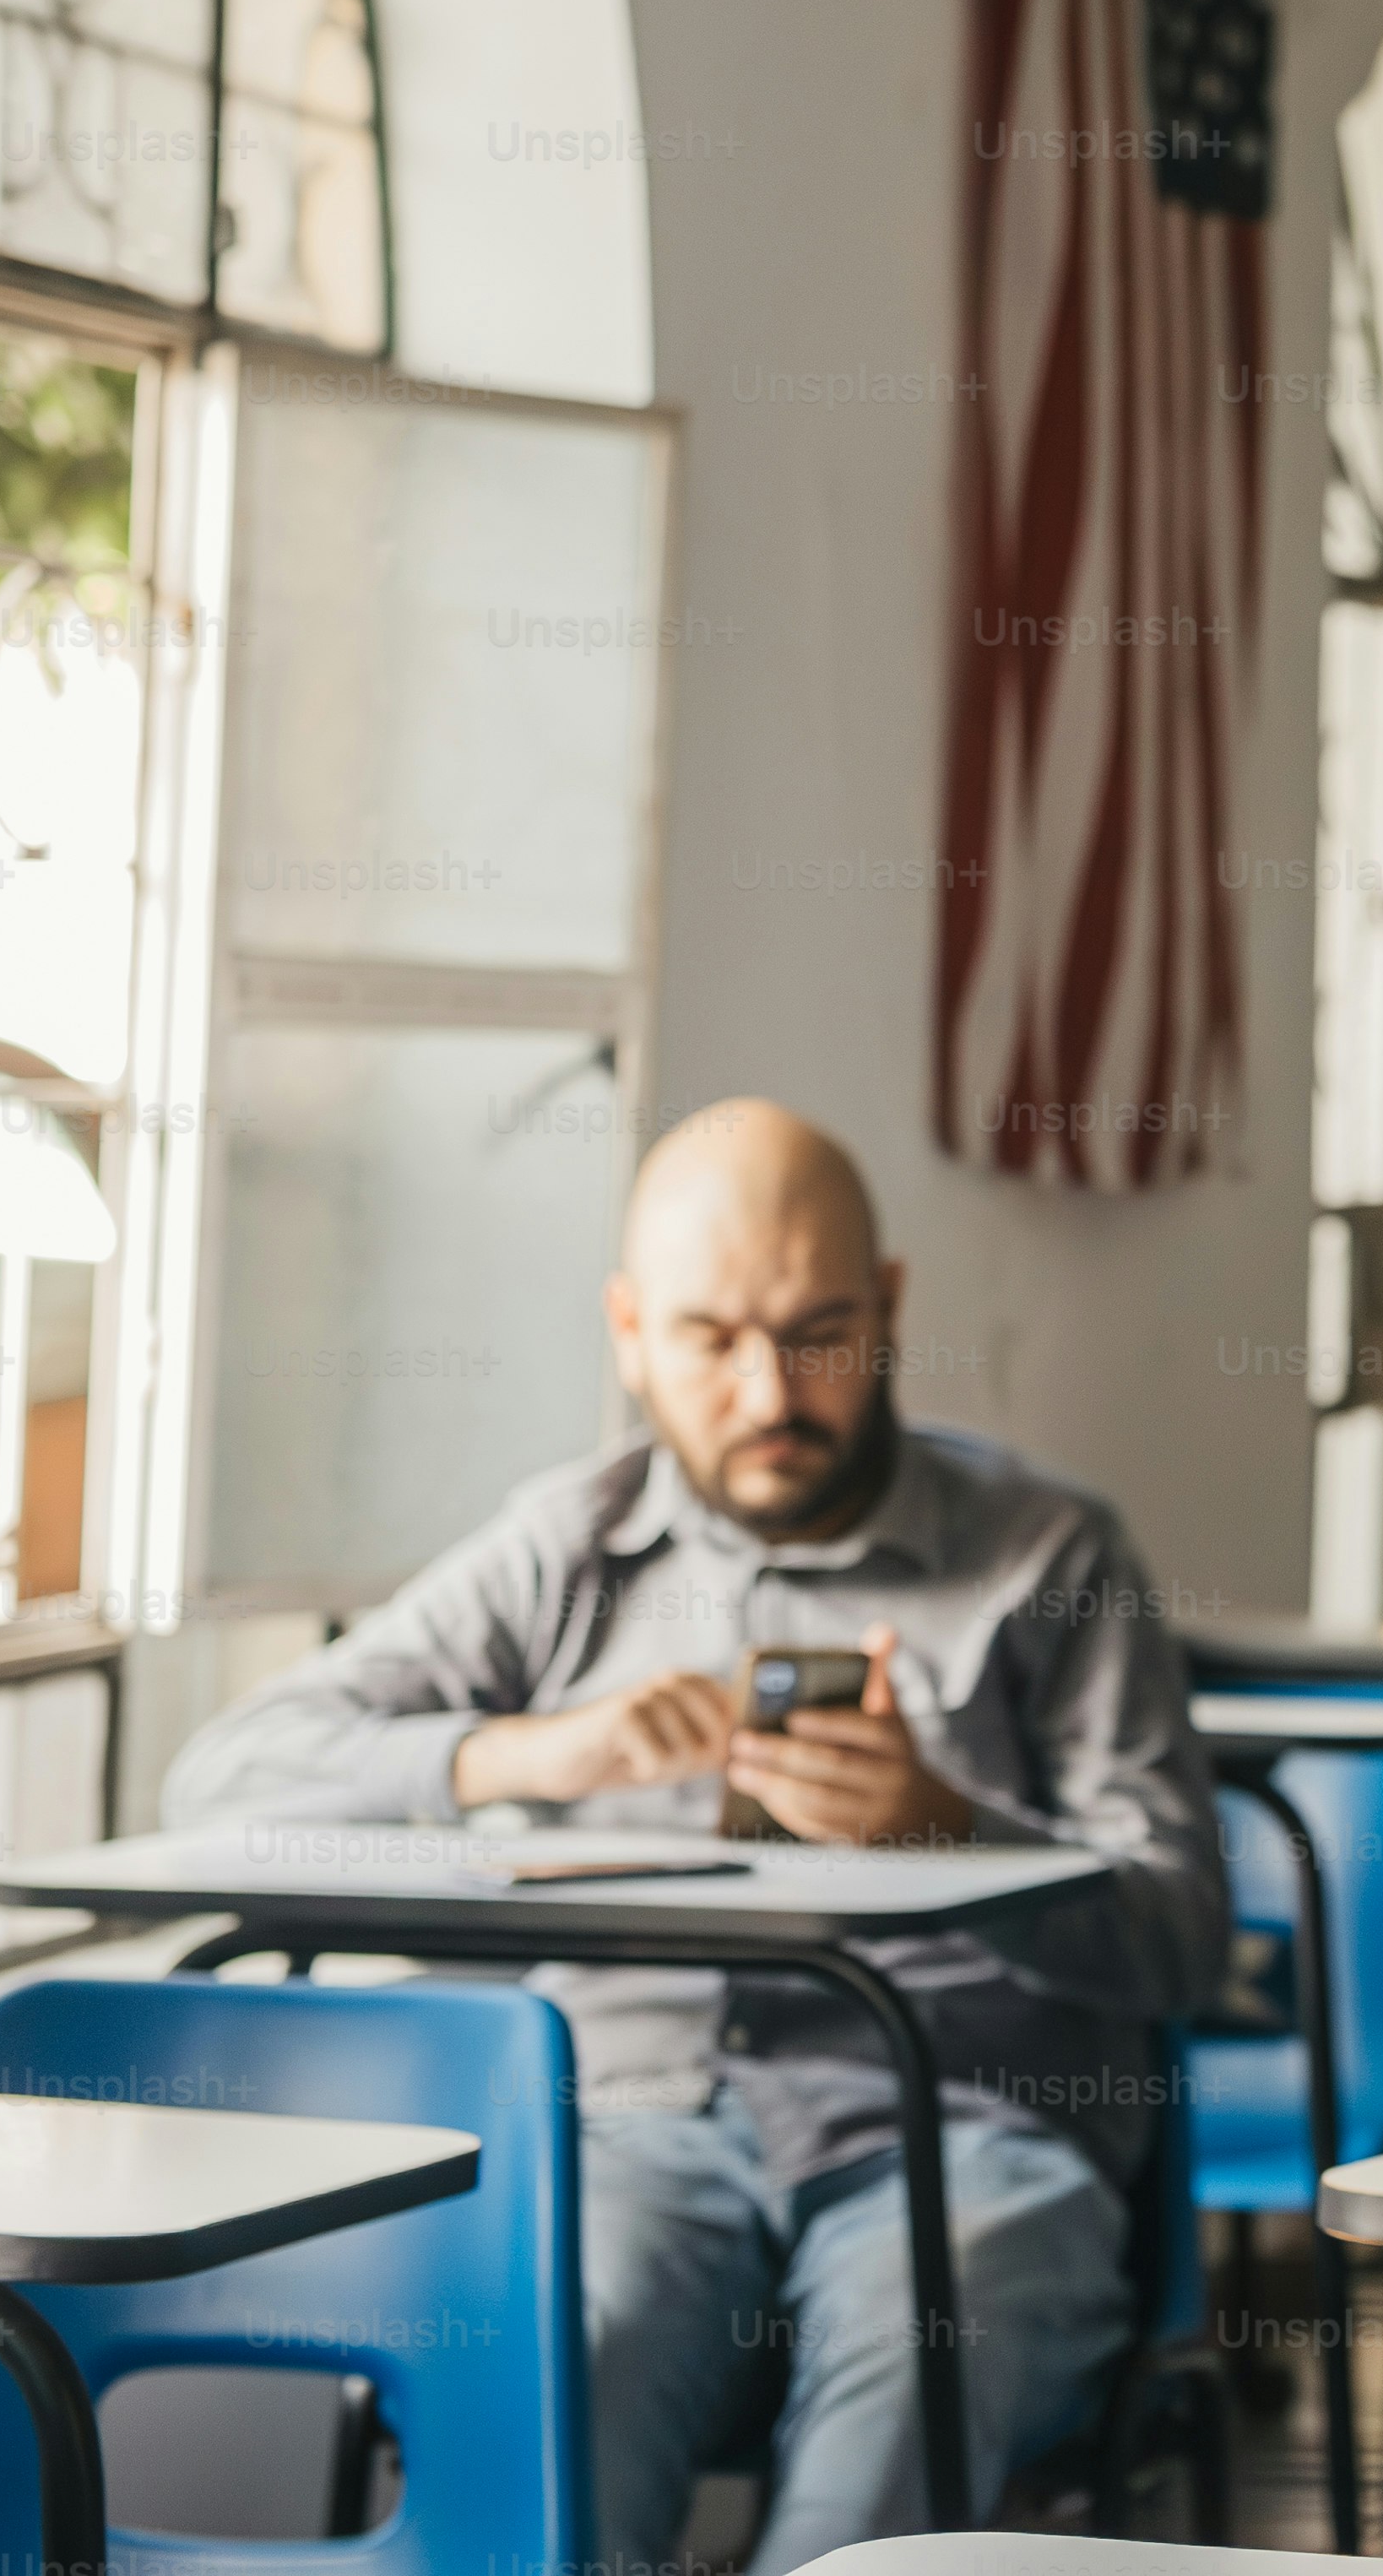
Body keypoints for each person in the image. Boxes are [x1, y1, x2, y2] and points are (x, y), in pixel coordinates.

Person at [165, 1098, 1229, 2572]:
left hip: (973, 2126)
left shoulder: (1049, 1553)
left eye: (815, 1332)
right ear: (628, 1331)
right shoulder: (565, 1547)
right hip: (628, 2119)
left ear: (892, 1307)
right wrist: (516, 1751)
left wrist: (948, 1835)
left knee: (906, 2402)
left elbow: (1186, 1932)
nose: (766, 1389)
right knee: (563, 2366)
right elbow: (226, 1778)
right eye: (709, 1338)